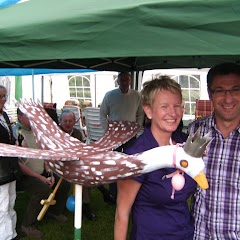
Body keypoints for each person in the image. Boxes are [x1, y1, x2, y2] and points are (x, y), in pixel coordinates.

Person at [114, 76, 197, 240]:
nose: (172, 113)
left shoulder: (186, 144)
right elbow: (122, 214)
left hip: (185, 234)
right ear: (149, 111)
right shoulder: (136, 155)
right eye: (164, 106)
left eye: (177, 106)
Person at [188, 62, 240, 239]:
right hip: (200, 235)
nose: (228, 98)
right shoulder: (195, 131)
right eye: (220, 90)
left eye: (235, 89)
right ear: (210, 94)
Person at [13, 108, 71, 238]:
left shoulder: (36, 132)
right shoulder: (15, 133)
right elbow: (18, 164)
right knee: (42, 189)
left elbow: (44, 154)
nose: (33, 119)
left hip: (41, 172)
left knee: (64, 182)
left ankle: (54, 212)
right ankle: (27, 225)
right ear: (19, 116)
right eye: (29, 116)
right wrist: (40, 177)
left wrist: (49, 172)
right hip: (23, 176)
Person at [100, 72, 145, 200]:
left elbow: (140, 114)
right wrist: (106, 131)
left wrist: (137, 129)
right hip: (114, 136)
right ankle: (114, 193)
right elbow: (103, 114)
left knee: (130, 163)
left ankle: (129, 191)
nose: (125, 82)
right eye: (122, 80)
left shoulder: (137, 96)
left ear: (130, 81)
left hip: (130, 136)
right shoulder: (110, 95)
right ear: (118, 81)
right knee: (114, 164)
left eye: (127, 80)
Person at [59, 109, 96, 221]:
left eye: (70, 121)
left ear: (74, 122)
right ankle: (59, 209)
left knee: (86, 178)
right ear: (60, 121)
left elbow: (81, 151)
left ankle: (86, 206)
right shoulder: (57, 134)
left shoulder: (77, 133)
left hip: (75, 164)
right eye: (65, 121)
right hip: (60, 165)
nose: (68, 123)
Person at [0, 85, 22, 240]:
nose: (4, 99)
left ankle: (12, 232)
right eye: (1, 96)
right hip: (0, 168)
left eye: (5, 96)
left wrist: (16, 142)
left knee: (11, 200)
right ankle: (5, 236)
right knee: (2, 204)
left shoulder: (5, 115)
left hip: (11, 166)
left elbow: (10, 138)